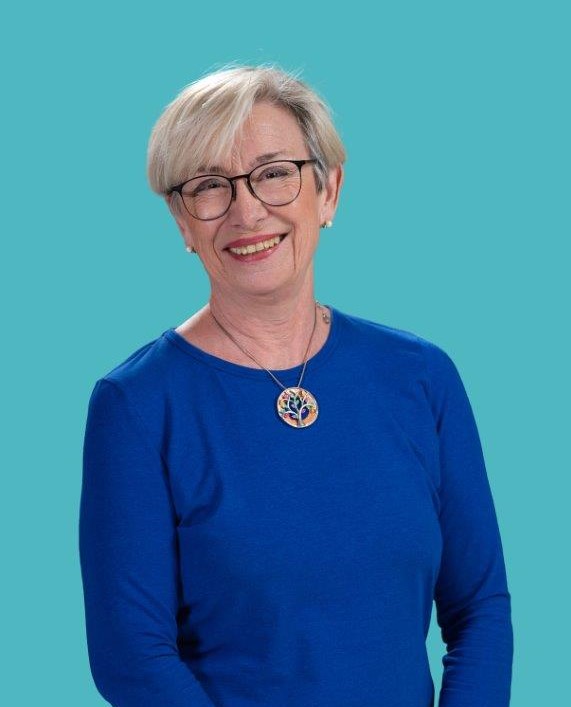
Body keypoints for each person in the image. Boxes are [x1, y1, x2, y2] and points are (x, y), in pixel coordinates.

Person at [79, 64, 513, 707]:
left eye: (275, 173)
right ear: (182, 221)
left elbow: (480, 609)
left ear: (328, 190)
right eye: (209, 186)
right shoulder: (137, 406)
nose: (247, 210)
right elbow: (131, 657)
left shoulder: (421, 377)